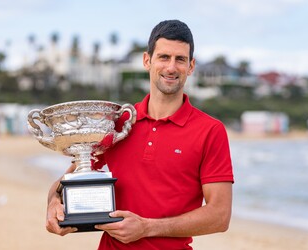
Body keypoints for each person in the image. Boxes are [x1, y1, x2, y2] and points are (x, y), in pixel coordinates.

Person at [46, 19, 234, 249]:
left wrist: (147, 227)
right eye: (164, 57)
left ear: (191, 66)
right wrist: (54, 202)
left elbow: (220, 216)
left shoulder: (210, 131)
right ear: (148, 60)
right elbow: (68, 182)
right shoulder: (118, 123)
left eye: (180, 59)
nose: (171, 67)